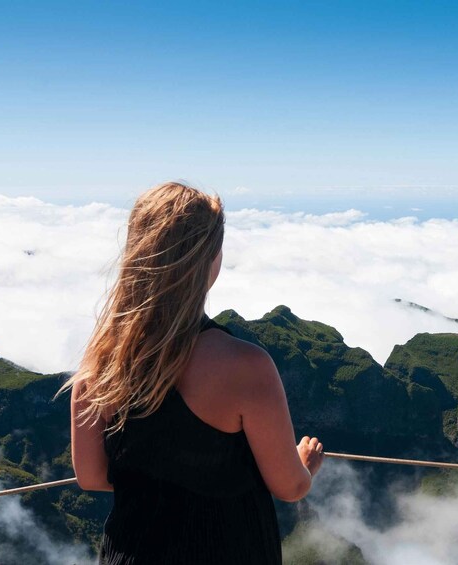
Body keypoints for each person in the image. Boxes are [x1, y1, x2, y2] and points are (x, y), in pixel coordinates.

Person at [60, 182, 324, 564]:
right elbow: (289, 486)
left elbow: (92, 476)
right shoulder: (245, 366)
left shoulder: (99, 367)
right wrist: (305, 464)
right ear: (209, 259)